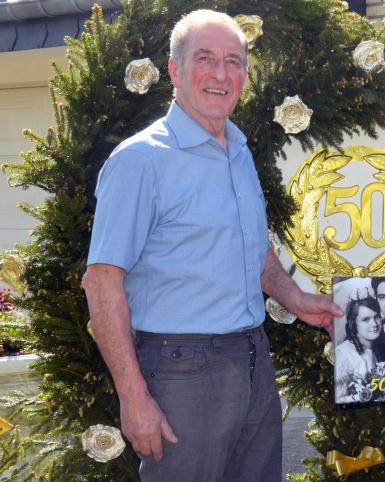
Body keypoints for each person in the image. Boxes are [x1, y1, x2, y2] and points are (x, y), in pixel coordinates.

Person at [81, 10, 342, 482]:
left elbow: (251, 246)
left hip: (253, 359)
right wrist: (133, 397)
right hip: (181, 370)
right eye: (206, 59)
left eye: (234, 61)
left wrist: (295, 298)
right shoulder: (141, 161)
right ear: (174, 70)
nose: (221, 74)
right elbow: (101, 282)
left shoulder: (237, 152)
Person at [335, 296, 382, 402]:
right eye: (366, 319)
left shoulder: (376, 350)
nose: (374, 324)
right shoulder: (343, 353)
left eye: (377, 317)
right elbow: (338, 398)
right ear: (353, 323)